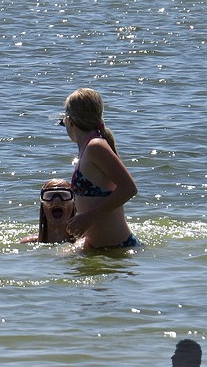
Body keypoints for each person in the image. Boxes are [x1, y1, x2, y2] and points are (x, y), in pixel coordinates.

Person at [59, 88, 139, 248]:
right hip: (96, 247)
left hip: (118, 248)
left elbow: (129, 189)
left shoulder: (96, 146)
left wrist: (88, 216)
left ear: (70, 121)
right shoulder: (88, 148)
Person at [21, 179, 76, 244]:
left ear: (74, 204)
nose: (57, 201)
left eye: (65, 195)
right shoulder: (29, 243)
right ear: (42, 206)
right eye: (49, 196)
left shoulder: (84, 243)